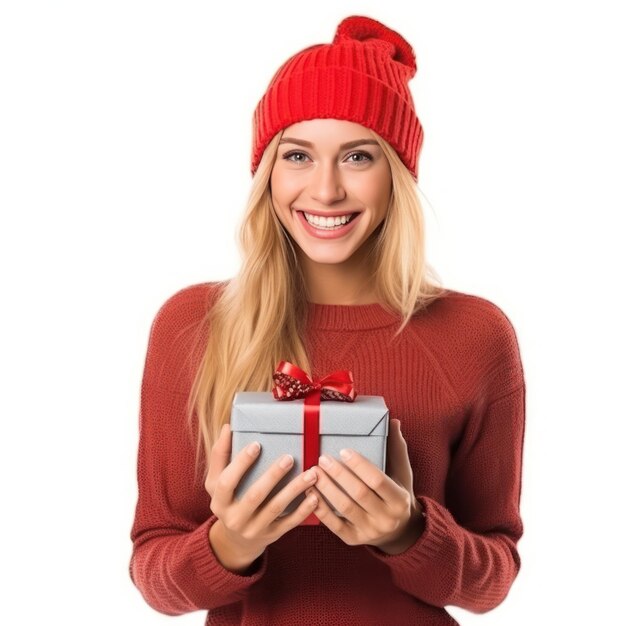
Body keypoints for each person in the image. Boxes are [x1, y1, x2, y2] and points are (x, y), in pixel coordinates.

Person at [129, 14, 526, 626]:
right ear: (268, 174)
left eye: (358, 156)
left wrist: (407, 531)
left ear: (397, 175)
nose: (326, 189)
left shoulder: (475, 335)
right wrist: (230, 543)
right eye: (297, 155)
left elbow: (493, 578)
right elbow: (155, 575)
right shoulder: (192, 326)